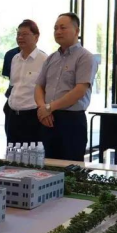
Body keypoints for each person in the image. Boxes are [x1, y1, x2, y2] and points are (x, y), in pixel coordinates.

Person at [35, 13, 98, 161]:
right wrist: (43, 108)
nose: (58, 32)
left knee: (71, 166)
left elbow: (79, 91)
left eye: (63, 28)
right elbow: (39, 86)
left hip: (72, 121)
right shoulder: (51, 58)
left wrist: (49, 107)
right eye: (55, 28)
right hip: (48, 118)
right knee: (49, 165)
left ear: (77, 31)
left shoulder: (86, 57)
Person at [7, 20, 48, 145]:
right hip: (12, 115)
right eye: (18, 34)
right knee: (12, 153)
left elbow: (46, 89)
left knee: (31, 154)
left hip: (32, 117)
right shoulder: (15, 59)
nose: (20, 37)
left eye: (24, 34)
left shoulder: (44, 60)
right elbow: (14, 85)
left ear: (36, 37)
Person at [1, 45, 21, 140]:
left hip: (32, 103)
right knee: (11, 137)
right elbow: (10, 78)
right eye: (18, 36)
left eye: (25, 36)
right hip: (12, 97)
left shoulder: (42, 57)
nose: (20, 38)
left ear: (36, 38)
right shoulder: (11, 55)